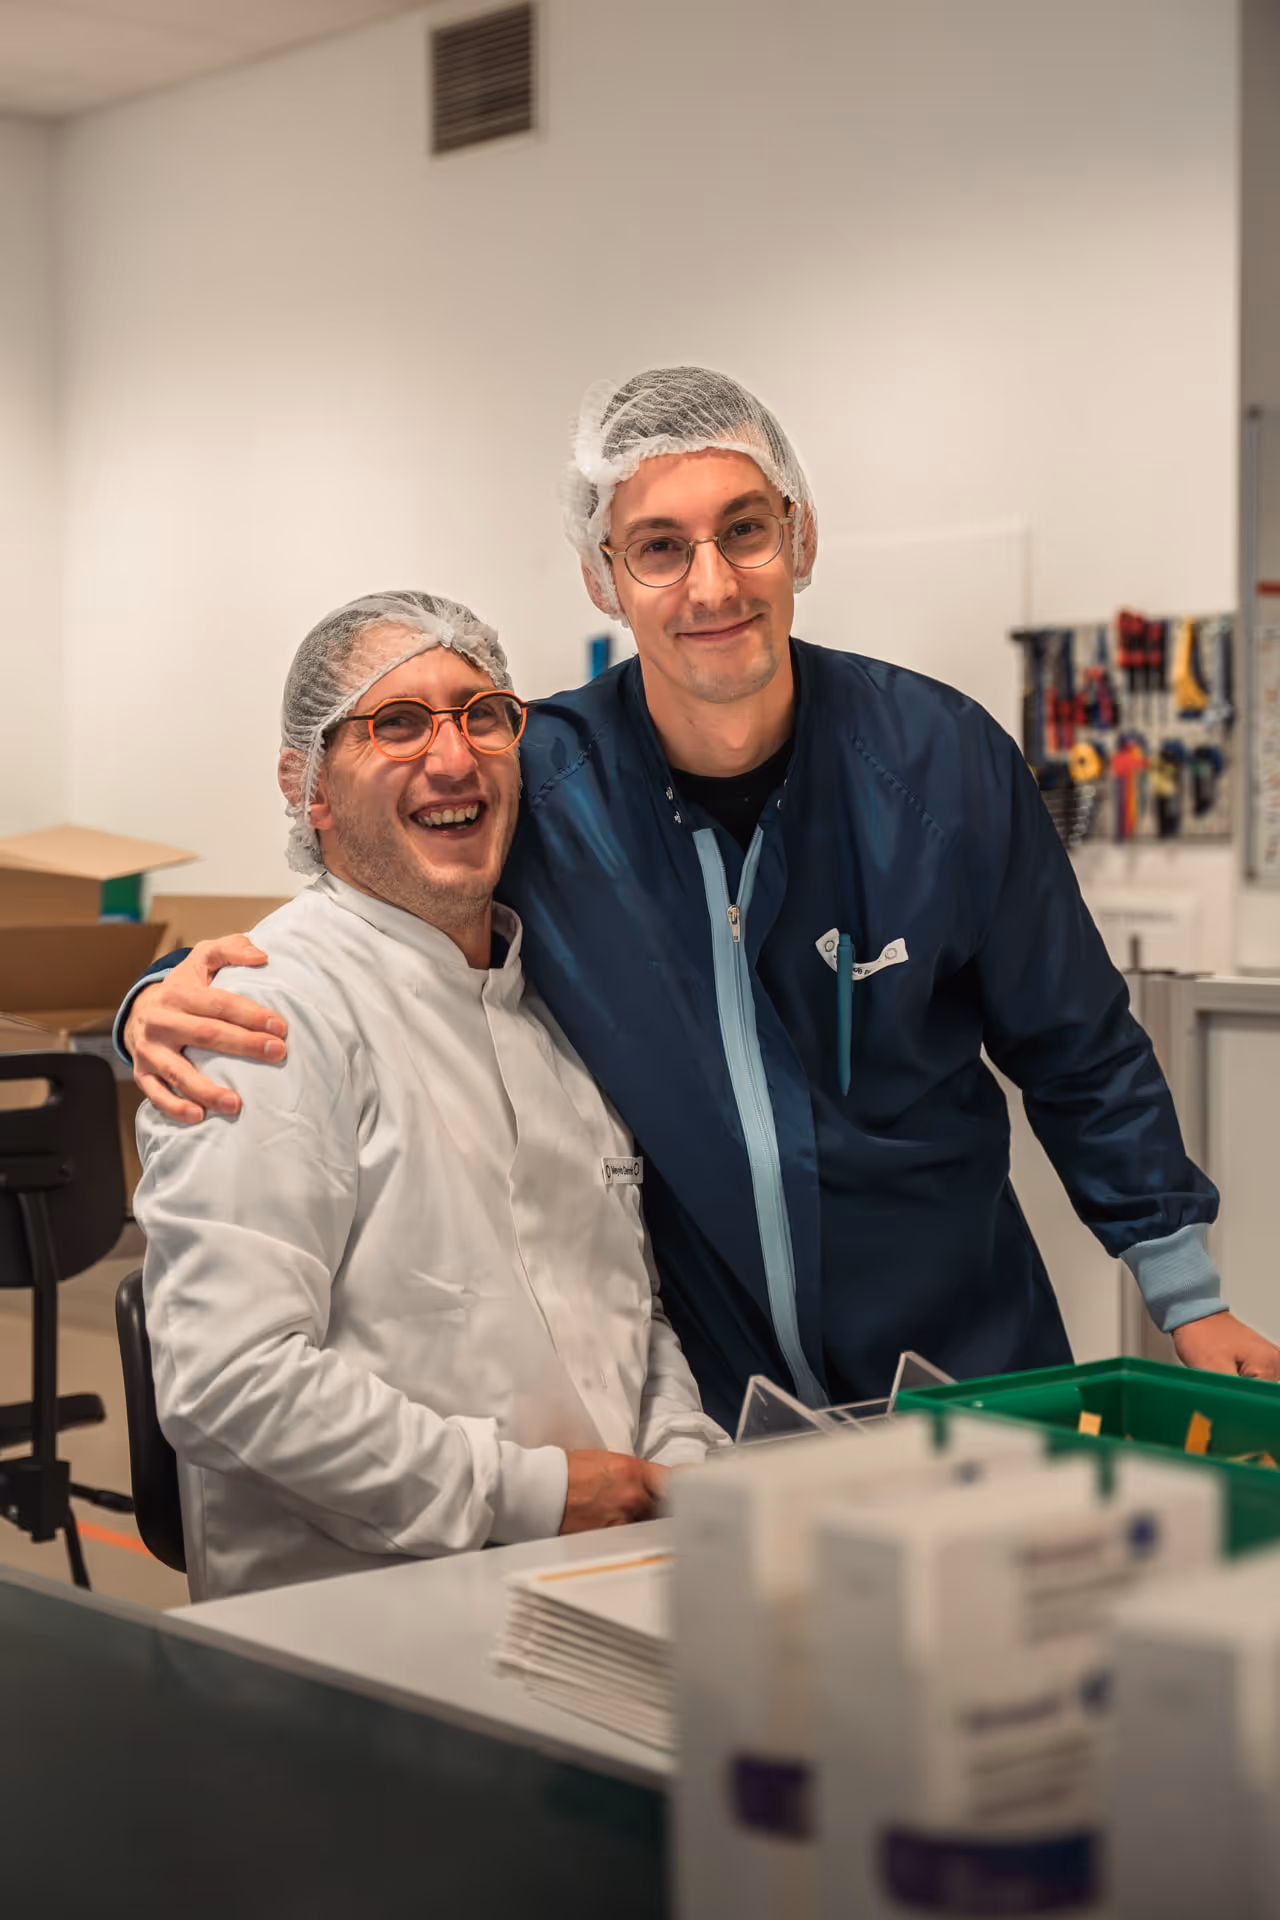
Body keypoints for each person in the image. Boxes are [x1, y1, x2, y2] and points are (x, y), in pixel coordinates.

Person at [122, 368, 1280, 1432]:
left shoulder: (938, 766)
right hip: (719, 1410)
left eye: (744, 531)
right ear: (603, 576)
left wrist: (1184, 1296)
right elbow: (368, 920)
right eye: (659, 547)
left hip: (968, 1364)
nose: (711, 584)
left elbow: (1076, 1044)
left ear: (801, 538)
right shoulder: (543, 785)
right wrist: (153, 1000)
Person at [132, 590, 726, 1601]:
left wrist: (681, 1463)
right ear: (307, 785)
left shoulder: (550, 1010)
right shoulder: (265, 1015)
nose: (451, 759)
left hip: (603, 1584)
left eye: (480, 714)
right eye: (394, 724)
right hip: (364, 1632)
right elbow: (227, 1378)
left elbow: (626, 1304)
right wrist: (529, 1496)